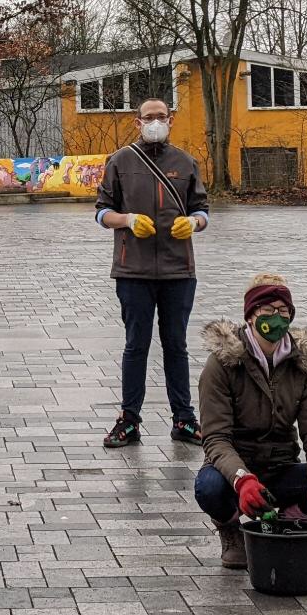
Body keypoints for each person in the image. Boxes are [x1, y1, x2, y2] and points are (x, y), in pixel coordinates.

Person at [193, 274, 307, 569]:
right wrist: (242, 479)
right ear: (250, 316)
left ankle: (294, 516)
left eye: (283, 312)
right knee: (208, 488)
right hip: (235, 471)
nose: (277, 318)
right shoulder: (221, 364)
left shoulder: (303, 365)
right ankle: (231, 529)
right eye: (268, 311)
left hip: (282, 467)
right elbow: (216, 438)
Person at [93, 96, 210, 448]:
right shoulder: (120, 161)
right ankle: (129, 419)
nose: (155, 122)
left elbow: (203, 210)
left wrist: (193, 222)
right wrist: (126, 220)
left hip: (178, 270)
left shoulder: (186, 163)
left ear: (171, 120)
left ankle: (184, 419)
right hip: (134, 270)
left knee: (176, 345)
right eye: (149, 117)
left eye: (161, 116)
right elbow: (101, 212)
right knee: (136, 346)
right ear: (137, 121)